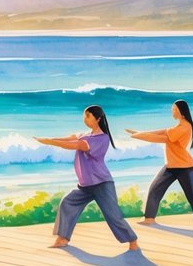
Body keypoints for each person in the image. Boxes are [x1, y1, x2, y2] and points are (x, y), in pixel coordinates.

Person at [36, 105, 140, 251]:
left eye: (88, 116)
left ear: (98, 119)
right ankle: (62, 239)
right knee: (67, 202)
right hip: (85, 185)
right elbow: (69, 138)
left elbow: (76, 145)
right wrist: (48, 139)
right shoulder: (85, 134)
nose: (85, 118)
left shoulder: (102, 139)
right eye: (84, 115)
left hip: (101, 183)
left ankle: (132, 241)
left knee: (113, 215)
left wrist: (50, 142)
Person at [127, 100, 193, 229]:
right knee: (155, 188)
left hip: (185, 167)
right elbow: (162, 131)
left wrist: (140, 136)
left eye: (174, 110)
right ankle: (149, 218)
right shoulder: (177, 127)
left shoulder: (185, 127)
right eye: (172, 109)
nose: (172, 112)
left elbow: (162, 138)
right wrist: (139, 132)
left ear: (182, 111)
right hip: (171, 166)